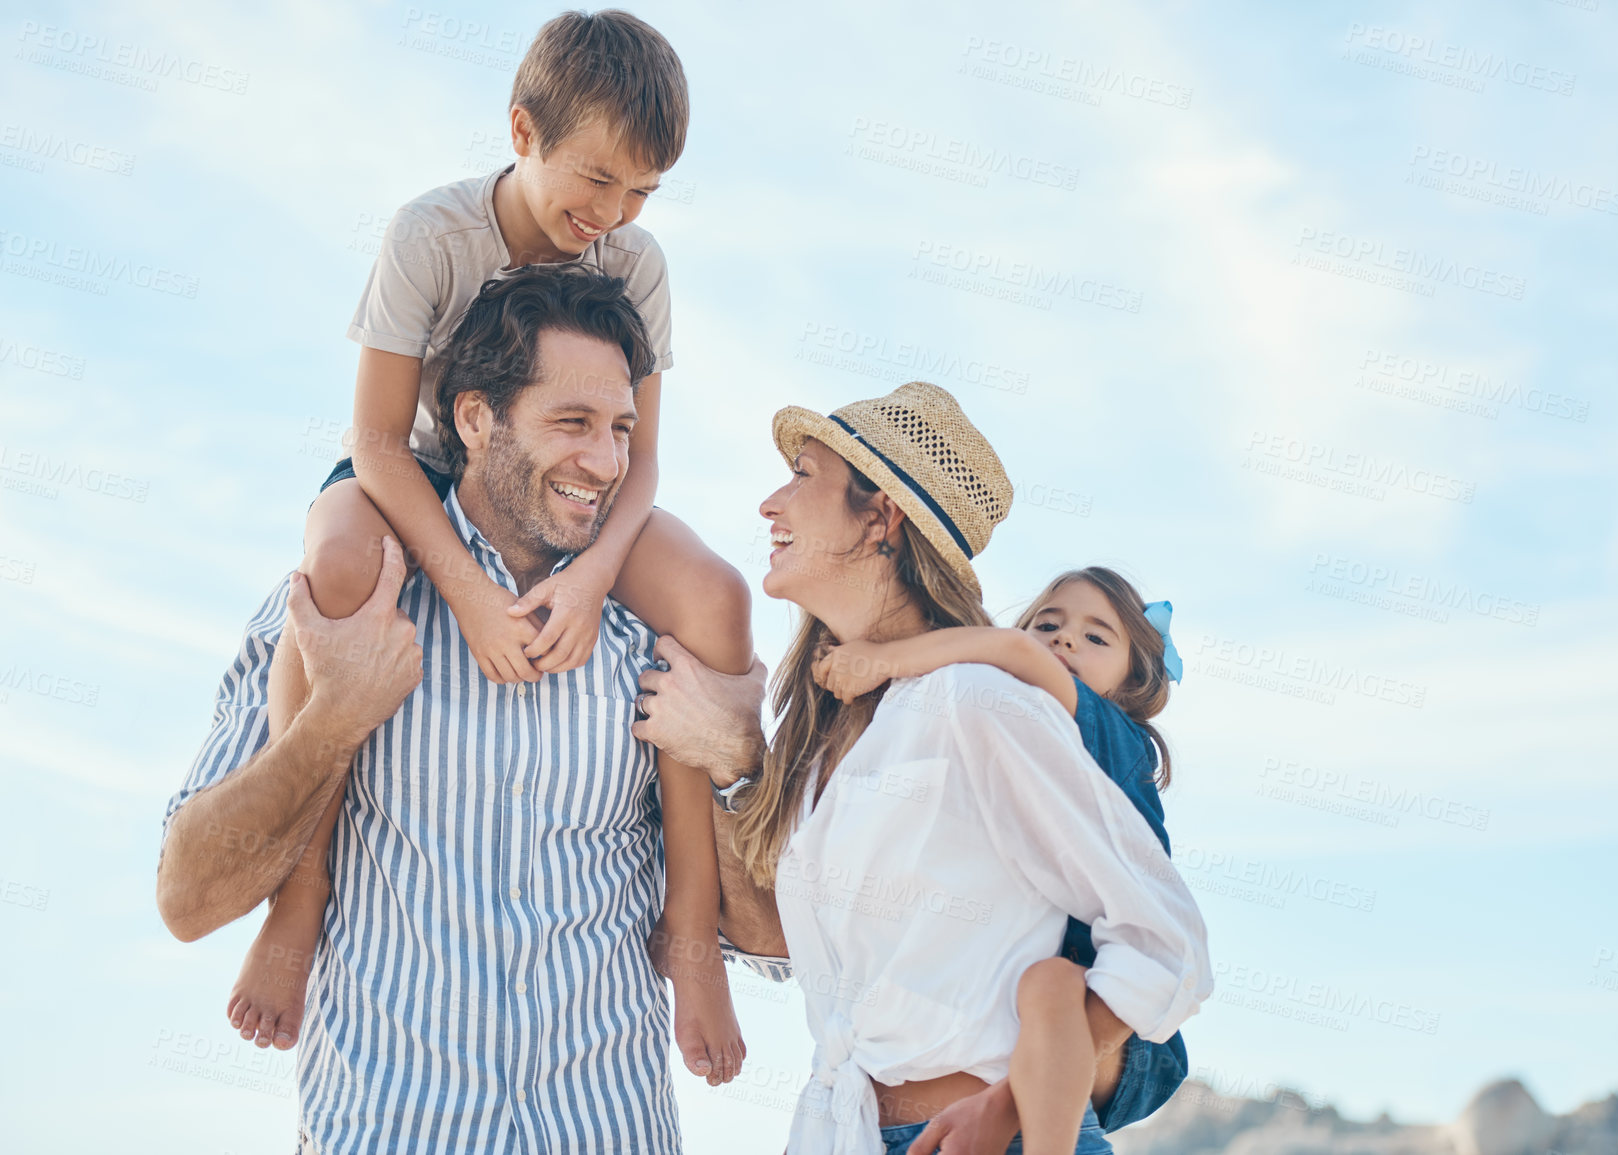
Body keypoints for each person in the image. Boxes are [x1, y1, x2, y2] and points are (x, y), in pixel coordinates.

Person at [226, 10, 750, 1080]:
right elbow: (372, 437)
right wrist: (461, 587)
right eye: (597, 179)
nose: (611, 214)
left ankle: (693, 931)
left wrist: (600, 574)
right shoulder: (431, 234)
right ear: (523, 129)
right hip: (416, 466)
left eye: (641, 192)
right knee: (336, 566)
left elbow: (640, 462)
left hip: (576, 489)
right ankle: (302, 890)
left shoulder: (635, 264)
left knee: (716, 599)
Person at [157, 266, 730, 1154]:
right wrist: (333, 720)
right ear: (474, 418)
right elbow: (186, 897)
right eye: (571, 423)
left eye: (621, 429)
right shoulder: (345, 607)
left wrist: (742, 749)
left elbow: (776, 913)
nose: (608, 462)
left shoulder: (653, 633)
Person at [634, 381, 1213, 1155]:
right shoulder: (833, 742)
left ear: (881, 517)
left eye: (804, 475)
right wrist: (734, 763)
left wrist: (1007, 1108)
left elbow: (1165, 937)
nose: (771, 502)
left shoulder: (977, 701)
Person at [810, 568, 1190, 1153]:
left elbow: (1010, 650)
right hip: (1050, 1019)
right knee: (1040, 984)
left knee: (1049, 983)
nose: (1064, 641)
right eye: (1049, 624)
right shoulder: (1020, 727)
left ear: (1130, 680)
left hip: (1119, 1018)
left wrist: (882, 659)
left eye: (1097, 637)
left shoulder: (1105, 724)